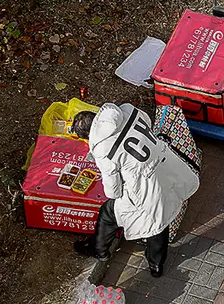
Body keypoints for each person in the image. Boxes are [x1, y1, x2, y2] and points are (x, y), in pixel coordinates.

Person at [71, 103, 200, 278]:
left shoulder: (102, 148)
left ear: (89, 135)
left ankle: (99, 250)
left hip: (146, 183)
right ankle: (156, 264)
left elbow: (113, 191)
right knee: (160, 217)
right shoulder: (127, 111)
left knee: (110, 213)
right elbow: (147, 122)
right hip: (165, 165)